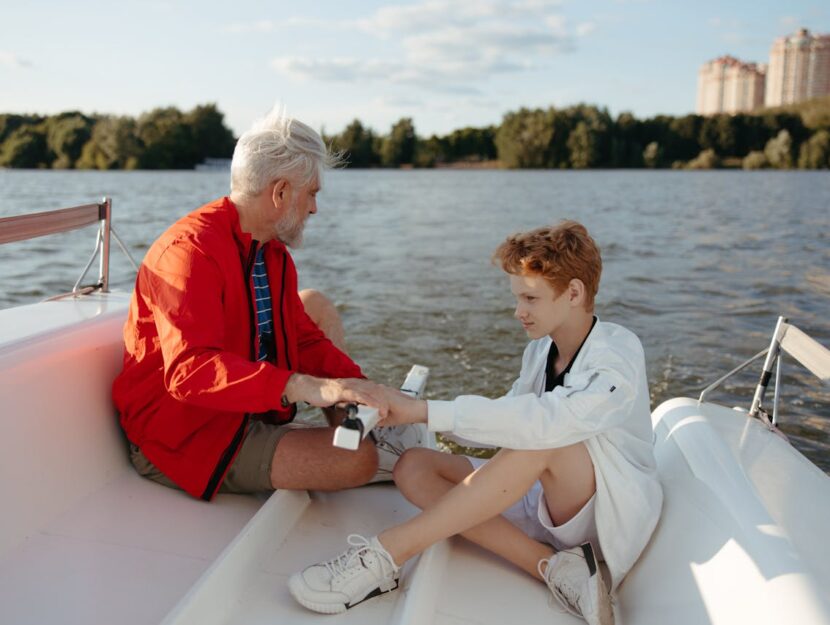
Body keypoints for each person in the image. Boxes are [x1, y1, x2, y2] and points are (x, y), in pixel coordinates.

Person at [288, 221, 663, 625]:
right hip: (542, 496)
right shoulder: (541, 352)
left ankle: (386, 555)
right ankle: (553, 567)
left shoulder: (618, 351)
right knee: (413, 466)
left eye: (530, 298)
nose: (518, 311)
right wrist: (403, 409)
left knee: (547, 438)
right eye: (517, 297)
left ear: (573, 293)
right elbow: (508, 415)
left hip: (601, 515)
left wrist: (426, 410)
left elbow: (549, 422)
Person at [113, 108, 415, 501]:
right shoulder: (189, 252)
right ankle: (363, 445)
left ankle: (362, 424)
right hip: (184, 434)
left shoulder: (271, 252)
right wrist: (301, 386)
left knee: (315, 306)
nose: (313, 209)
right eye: (312, 194)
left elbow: (303, 338)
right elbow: (190, 371)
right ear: (281, 192)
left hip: (241, 408)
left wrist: (358, 386)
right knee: (357, 461)